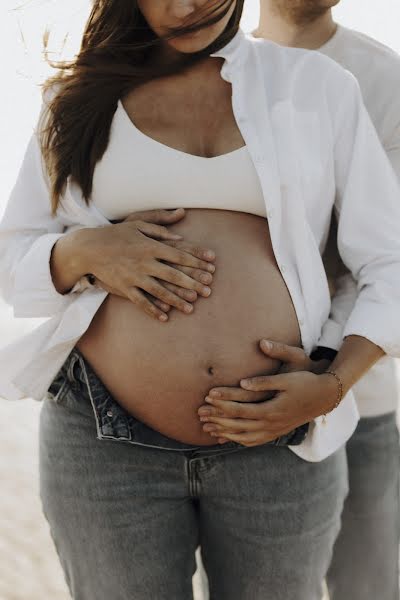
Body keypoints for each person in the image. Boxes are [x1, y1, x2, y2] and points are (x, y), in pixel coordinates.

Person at [1, 1, 400, 598]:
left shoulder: (315, 87)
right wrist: (84, 251)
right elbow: (14, 261)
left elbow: (389, 261)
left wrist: (334, 383)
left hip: (278, 439)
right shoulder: (75, 98)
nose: (187, 6)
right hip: (104, 442)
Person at [233, 2, 400, 598]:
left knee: (367, 584)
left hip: (363, 392)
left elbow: (385, 257)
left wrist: (330, 370)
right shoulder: (220, 68)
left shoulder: (386, 81)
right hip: (246, 398)